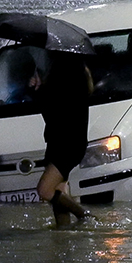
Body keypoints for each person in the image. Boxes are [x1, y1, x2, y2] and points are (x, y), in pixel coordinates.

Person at [33, 51, 92, 224]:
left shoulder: (68, 80)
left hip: (67, 145)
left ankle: (84, 216)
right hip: (59, 142)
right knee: (58, 192)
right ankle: (63, 237)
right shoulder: (76, 76)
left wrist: (40, 89)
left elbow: (56, 113)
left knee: (44, 190)